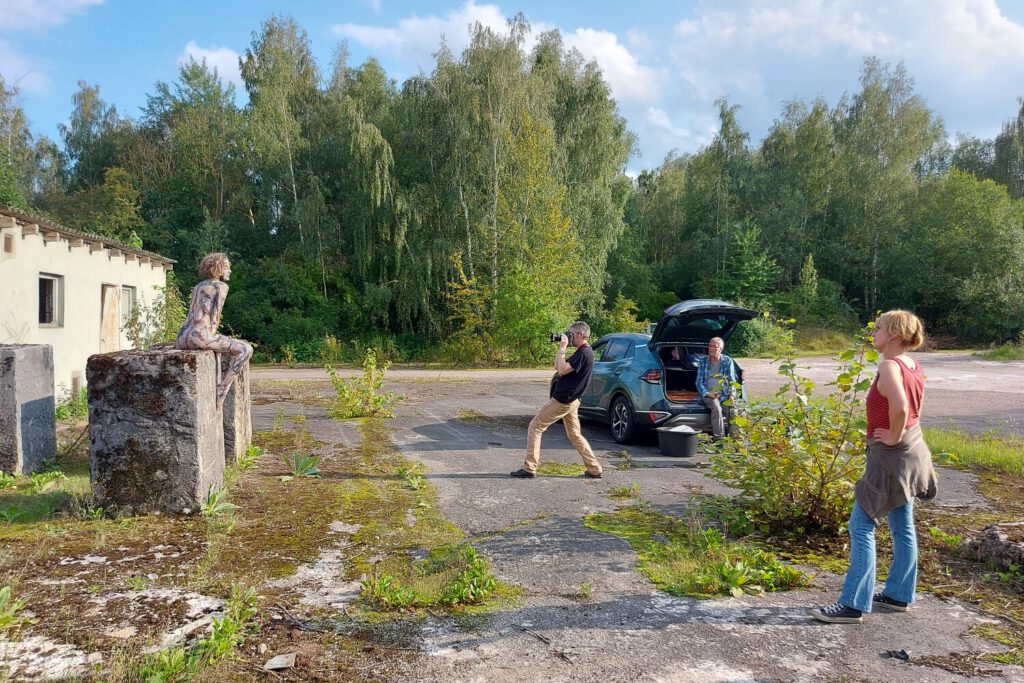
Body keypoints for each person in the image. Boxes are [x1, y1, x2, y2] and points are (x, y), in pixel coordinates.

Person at [811, 310, 937, 624]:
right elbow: (912, 408)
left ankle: (853, 605)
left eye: (878, 328)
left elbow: (902, 406)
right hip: (913, 451)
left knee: (861, 525)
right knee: (902, 525)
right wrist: (900, 434)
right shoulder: (913, 365)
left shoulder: (889, 365)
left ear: (894, 334)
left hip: (890, 456)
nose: (874, 334)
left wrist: (892, 435)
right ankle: (898, 595)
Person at [511, 321, 603, 479]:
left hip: (563, 400)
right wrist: (562, 349)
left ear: (581, 335)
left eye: (572, 334)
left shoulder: (584, 353)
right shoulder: (582, 351)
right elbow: (558, 367)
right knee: (574, 435)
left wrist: (562, 348)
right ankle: (595, 469)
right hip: (572, 400)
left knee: (535, 427)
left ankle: (529, 467)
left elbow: (562, 370)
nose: (569, 337)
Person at [175, 252, 254, 410]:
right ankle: (222, 391)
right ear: (217, 269)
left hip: (182, 337)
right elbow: (214, 320)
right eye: (226, 268)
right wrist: (215, 339)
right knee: (246, 349)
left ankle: (221, 390)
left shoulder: (199, 286)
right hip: (200, 336)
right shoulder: (221, 286)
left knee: (224, 341)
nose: (229, 271)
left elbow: (193, 314)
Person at [695, 336, 739, 439]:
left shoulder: (728, 361)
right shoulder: (703, 361)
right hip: (708, 394)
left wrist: (732, 395)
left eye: (714, 346)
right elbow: (699, 382)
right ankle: (720, 441)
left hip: (724, 393)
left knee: (733, 410)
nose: (711, 348)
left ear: (720, 349)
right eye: (710, 346)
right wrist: (707, 394)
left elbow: (732, 381)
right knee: (716, 408)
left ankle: (736, 442)